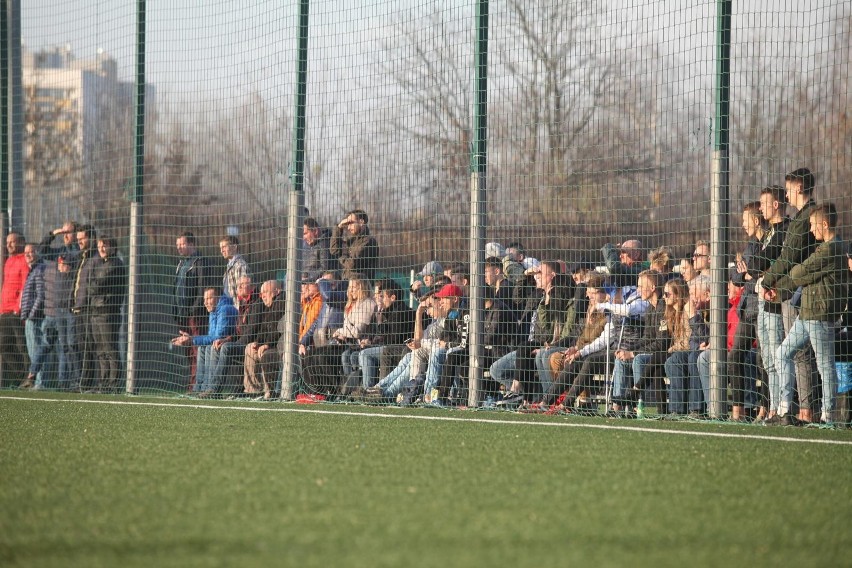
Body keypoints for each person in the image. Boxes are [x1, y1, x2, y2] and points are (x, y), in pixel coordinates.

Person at [773, 203, 846, 426]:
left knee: (825, 366)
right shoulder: (824, 247)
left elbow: (801, 271)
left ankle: (828, 415)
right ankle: (784, 409)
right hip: (806, 314)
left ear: (825, 224)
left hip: (820, 315)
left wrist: (796, 271)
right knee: (782, 354)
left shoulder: (831, 248)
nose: (812, 230)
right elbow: (803, 276)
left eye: (814, 225)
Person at [761, 168, 819, 424]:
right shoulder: (805, 216)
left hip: (803, 294)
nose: (786, 194)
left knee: (800, 353)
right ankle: (795, 409)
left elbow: (789, 260)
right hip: (793, 290)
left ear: (797, 189)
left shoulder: (804, 219)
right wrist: (778, 288)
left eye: (788, 189)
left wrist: (767, 280)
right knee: (796, 353)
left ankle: (805, 411)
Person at [728, 202, 768, 421]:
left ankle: (765, 408)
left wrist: (748, 274)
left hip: (763, 309)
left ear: (755, 220)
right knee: (735, 356)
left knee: (764, 361)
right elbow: (736, 275)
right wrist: (747, 275)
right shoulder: (751, 245)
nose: (743, 225)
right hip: (747, 310)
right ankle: (738, 409)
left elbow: (761, 274)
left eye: (745, 220)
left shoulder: (769, 242)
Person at [301, 277, 375, 396]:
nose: (351, 290)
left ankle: (337, 391)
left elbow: (357, 332)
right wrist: (342, 334)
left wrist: (340, 331)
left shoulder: (367, 304)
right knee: (310, 355)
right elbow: (349, 329)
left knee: (323, 357)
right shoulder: (351, 304)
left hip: (355, 345)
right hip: (344, 342)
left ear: (363, 288)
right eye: (350, 287)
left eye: (354, 287)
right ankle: (317, 391)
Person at [754, 184, 790, 422]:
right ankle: (774, 404)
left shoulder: (785, 230)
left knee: (778, 355)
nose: (761, 208)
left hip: (776, 300)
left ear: (775, 205)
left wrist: (760, 267)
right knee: (767, 359)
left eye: (764, 204)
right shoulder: (768, 232)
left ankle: (780, 406)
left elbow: (767, 260)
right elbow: (758, 259)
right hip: (762, 302)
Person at [611, 270, 667, 414]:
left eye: (641, 286)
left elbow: (662, 344)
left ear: (653, 287)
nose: (638, 290)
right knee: (620, 359)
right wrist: (628, 351)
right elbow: (647, 338)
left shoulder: (664, 308)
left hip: (663, 354)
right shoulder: (649, 309)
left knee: (638, 359)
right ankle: (617, 407)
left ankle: (638, 406)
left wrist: (633, 353)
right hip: (652, 351)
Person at [171, 288, 238, 397]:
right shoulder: (213, 311)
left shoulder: (225, 309)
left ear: (218, 298)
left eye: (209, 298)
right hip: (221, 342)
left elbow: (218, 337)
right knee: (203, 347)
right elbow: (211, 336)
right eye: (204, 299)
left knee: (211, 347)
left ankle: (211, 388)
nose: (205, 302)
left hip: (232, 342)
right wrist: (192, 339)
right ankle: (199, 388)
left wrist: (192, 339)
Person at [354, 279, 414, 390]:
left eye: (383, 296)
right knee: (353, 354)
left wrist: (381, 323)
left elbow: (393, 340)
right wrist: (372, 340)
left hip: (400, 348)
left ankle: (369, 389)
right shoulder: (387, 311)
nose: (380, 299)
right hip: (389, 346)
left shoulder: (399, 312)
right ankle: (358, 388)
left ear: (393, 298)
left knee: (365, 354)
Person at [28, 255, 77, 391]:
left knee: (46, 346)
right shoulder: (68, 275)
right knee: (62, 348)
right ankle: (62, 382)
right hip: (59, 314)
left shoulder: (47, 269)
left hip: (51, 313)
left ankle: (32, 374)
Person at [174, 232, 215, 391]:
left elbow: (202, 288)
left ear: (191, 244)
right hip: (182, 315)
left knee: (197, 348)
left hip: (195, 315)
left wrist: (194, 310)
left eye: (182, 244)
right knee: (188, 351)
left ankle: (198, 384)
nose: (179, 247)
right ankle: (192, 383)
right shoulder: (181, 263)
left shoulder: (200, 262)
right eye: (177, 244)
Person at [87, 236, 127, 393]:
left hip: (108, 312)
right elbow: (91, 284)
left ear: (112, 247)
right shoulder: (100, 264)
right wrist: (92, 284)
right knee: (100, 350)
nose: (101, 249)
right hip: (96, 311)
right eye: (98, 246)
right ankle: (103, 383)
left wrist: (92, 284)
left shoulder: (115, 264)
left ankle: (113, 384)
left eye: (104, 246)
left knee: (110, 349)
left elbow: (96, 285)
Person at [208, 276, 259, 396]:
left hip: (251, 343)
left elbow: (251, 333)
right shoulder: (242, 303)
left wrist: (233, 343)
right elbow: (238, 332)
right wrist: (226, 339)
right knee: (218, 345)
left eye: (242, 284)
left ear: (251, 286)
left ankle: (215, 389)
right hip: (241, 341)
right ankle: (208, 386)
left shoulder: (256, 303)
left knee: (227, 348)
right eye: (238, 285)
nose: (239, 287)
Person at [243, 280, 285, 400]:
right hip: (270, 344)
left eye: (266, 292)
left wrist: (266, 344)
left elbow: (276, 328)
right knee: (250, 348)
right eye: (261, 293)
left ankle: (269, 392)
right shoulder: (269, 306)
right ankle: (253, 391)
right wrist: (258, 342)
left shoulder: (281, 301)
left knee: (265, 354)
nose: (263, 296)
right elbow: (264, 328)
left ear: (277, 291)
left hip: (277, 346)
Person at [71, 224, 99, 390]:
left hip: (89, 309)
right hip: (78, 309)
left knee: (90, 347)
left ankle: (87, 383)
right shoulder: (82, 257)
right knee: (80, 346)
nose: (79, 242)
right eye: (78, 239)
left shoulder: (95, 258)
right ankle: (81, 381)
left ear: (92, 238)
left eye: (82, 239)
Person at [0, 232, 30, 387]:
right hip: (4, 311)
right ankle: (20, 377)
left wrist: (19, 308)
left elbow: (25, 285)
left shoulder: (23, 261)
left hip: (15, 311)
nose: (9, 245)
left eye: (12, 242)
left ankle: (29, 377)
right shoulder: (8, 261)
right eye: (7, 242)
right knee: (4, 345)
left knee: (21, 345)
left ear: (21, 242)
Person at [18, 244, 46, 390]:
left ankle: (40, 383)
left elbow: (41, 295)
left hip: (35, 317)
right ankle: (36, 382)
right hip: (29, 316)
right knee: (32, 350)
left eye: (31, 252)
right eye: (26, 252)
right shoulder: (32, 270)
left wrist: (31, 314)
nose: (28, 254)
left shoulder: (40, 269)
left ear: (38, 253)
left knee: (36, 349)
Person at [330, 209, 378, 281]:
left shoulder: (369, 241)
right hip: (347, 284)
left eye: (351, 223)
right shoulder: (352, 241)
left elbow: (352, 264)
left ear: (361, 222)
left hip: (361, 287)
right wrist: (339, 227)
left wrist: (340, 256)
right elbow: (333, 250)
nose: (348, 228)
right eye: (347, 224)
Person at [219, 235, 250, 304]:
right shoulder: (230, 266)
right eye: (220, 248)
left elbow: (244, 292)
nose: (221, 251)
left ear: (234, 247)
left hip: (236, 310)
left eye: (224, 247)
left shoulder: (240, 265)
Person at [302, 217, 331, 282]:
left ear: (315, 231)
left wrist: (307, 279)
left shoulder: (324, 244)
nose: (304, 238)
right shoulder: (306, 246)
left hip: (315, 283)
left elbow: (324, 268)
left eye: (305, 233)